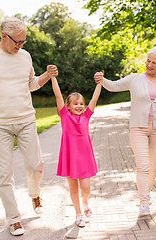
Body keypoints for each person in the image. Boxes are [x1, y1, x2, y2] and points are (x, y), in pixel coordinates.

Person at [0, 17, 58, 236]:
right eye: (18, 42)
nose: (21, 46)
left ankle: (35, 193)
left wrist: (46, 75)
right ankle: (14, 218)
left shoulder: (25, 56)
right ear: (4, 36)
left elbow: (31, 84)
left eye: (24, 41)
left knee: (36, 165)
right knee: (3, 174)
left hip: (26, 119)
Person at [94, 46, 156, 217]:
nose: (149, 65)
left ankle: (146, 192)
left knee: (153, 166)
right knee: (143, 165)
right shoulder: (135, 79)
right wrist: (102, 80)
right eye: (148, 61)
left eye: (154, 63)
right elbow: (113, 86)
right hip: (138, 128)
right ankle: (144, 202)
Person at [50, 76, 101, 227]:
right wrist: (53, 77)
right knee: (73, 188)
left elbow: (94, 100)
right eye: (75, 104)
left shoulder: (86, 116)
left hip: (84, 159)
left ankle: (85, 202)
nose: (79, 106)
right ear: (68, 106)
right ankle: (78, 214)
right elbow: (58, 95)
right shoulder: (64, 116)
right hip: (69, 158)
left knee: (86, 188)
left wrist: (100, 84)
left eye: (81, 104)